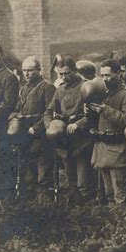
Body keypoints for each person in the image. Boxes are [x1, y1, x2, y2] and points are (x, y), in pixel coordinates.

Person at [83, 59, 126, 206]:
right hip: (103, 148)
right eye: (102, 75)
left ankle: (124, 225)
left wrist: (104, 109)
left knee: (121, 194)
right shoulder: (102, 93)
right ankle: (112, 225)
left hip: (119, 149)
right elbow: (96, 121)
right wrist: (89, 112)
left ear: (118, 73)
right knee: (108, 194)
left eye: (108, 75)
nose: (105, 79)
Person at [44, 56, 95, 205]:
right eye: (61, 74)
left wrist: (79, 124)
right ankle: (74, 215)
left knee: (83, 182)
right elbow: (48, 111)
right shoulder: (60, 89)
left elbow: (94, 114)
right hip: (65, 141)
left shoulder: (87, 86)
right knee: (70, 181)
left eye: (67, 73)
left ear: (75, 70)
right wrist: (51, 126)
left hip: (82, 140)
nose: (64, 77)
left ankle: (88, 215)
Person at [12, 56, 56, 202]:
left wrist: (36, 129)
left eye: (30, 70)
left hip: (41, 135)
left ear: (39, 70)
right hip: (26, 135)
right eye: (24, 70)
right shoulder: (23, 89)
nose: (26, 73)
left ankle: (45, 205)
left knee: (43, 171)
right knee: (28, 171)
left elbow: (50, 113)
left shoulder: (47, 87)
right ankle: (29, 205)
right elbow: (19, 109)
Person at [0, 43, 19, 198]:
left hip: (1, 124)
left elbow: (8, 102)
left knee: (2, 156)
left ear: (1, 55)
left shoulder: (8, 77)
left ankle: (6, 192)